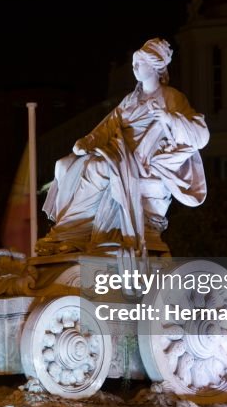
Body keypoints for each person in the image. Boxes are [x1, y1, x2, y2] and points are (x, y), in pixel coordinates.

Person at [37, 38, 209, 257]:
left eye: (140, 63)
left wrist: (168, 118)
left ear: (155, 66)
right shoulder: (130, 99)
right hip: (119, 154)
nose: (135, 67)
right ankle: (69, 231)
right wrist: (88, 142)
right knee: (64, 164)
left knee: (97, 168)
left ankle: (72, 232)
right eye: (134, 63)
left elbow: (200, 135)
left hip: (141, 161)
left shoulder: (171, 97)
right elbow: (108, 126)